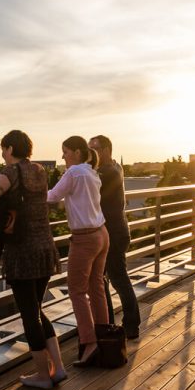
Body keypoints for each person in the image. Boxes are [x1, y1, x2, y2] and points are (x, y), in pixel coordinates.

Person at [0, 130, 65, 389]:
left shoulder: (9, 174)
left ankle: (42, 375)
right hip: (45, 248)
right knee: (37, 310)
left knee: (29, 314)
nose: (2, 155)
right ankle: (58, 368)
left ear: (11, 149)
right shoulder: (40, 171)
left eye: (3, 150)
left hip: (22, 253)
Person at [47, 136, 110, 367]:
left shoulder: (74, 173)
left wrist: (27, 198)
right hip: (102, 234)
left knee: (76, 290)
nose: (62, 156)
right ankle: (103, 337)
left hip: (85, 239)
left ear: (75, 152)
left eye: (64, 152)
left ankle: (89, 343)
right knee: (96, 287)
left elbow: (52, 196)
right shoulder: (91, 172)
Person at [88, 135, 140, 339]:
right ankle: (111, 323)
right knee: (108, 279)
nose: (91, 154)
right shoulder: (115, 167)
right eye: (88, 149)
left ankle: (128, 325)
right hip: (115, 230)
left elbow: (87, 189)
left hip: (113, 233)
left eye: (95, 149)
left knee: (116, 279)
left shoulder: (107, 172)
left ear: (107, 149)